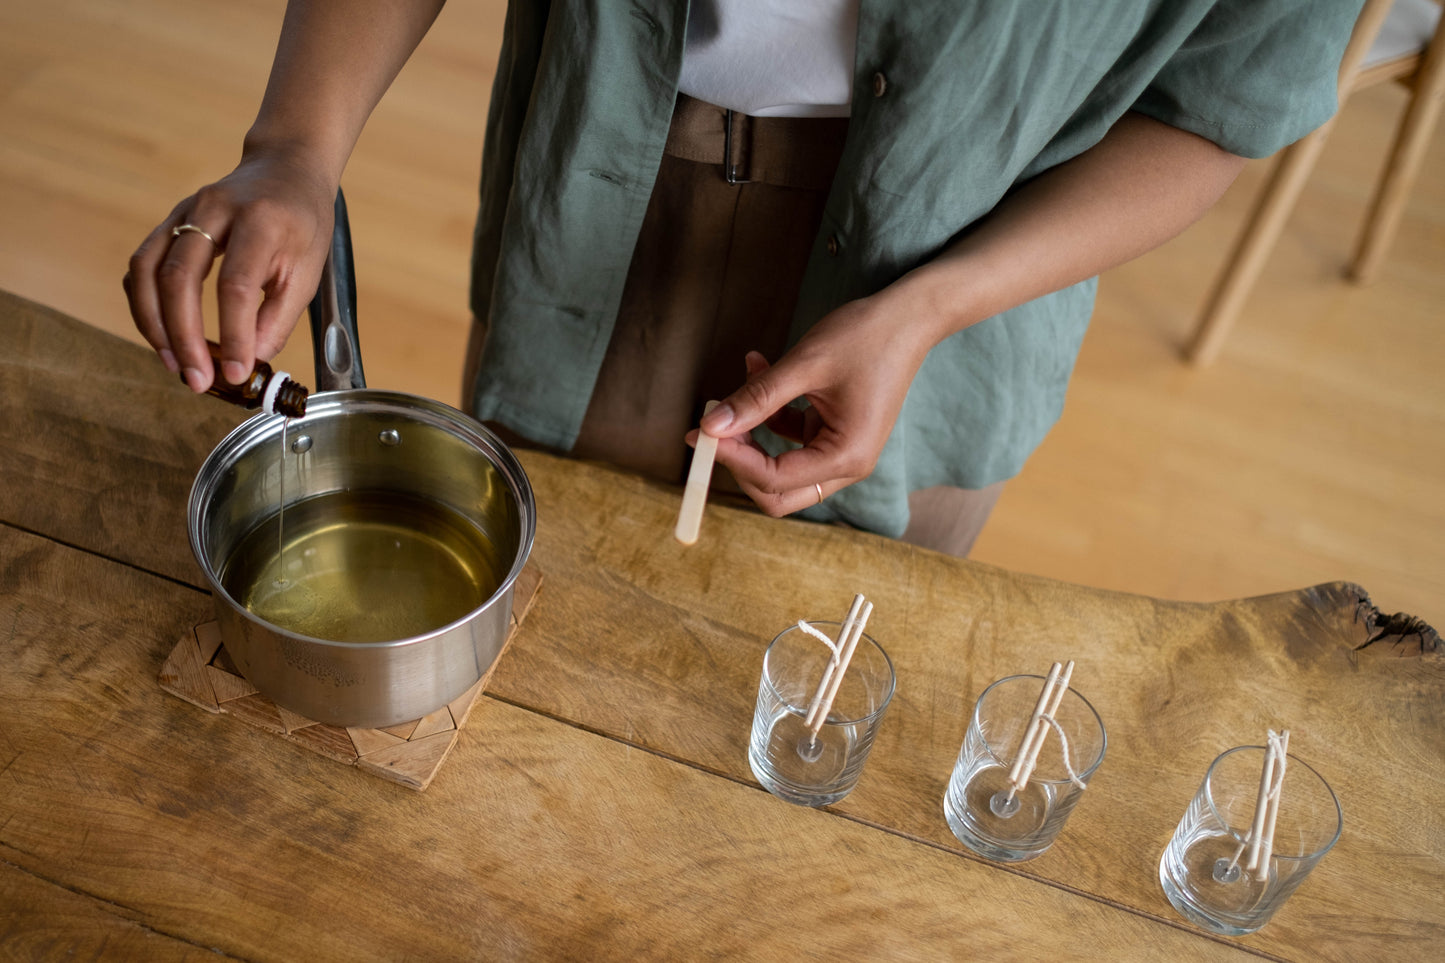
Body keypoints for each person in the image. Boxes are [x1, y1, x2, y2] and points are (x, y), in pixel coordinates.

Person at [124, 0, 1363, 555]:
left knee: (831, 658)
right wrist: (295, 144)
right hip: (607, 185)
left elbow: (1218, 97)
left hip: (986, 243)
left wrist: (930, 305)